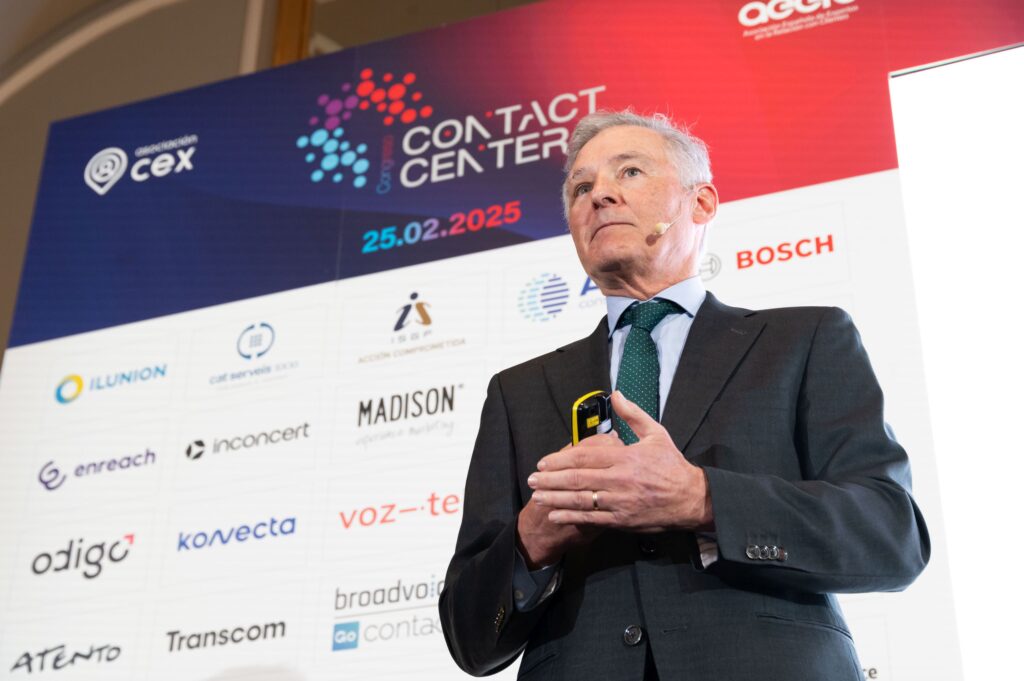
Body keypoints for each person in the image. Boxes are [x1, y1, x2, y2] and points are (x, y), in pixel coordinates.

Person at [439, 110, 929, 680]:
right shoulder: (518, 392)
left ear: (701, 203)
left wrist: (702, 498)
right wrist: (532, 539)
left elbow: (890, 536)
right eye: (580, 187)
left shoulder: (805, 339)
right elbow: (470, 639)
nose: (599, 195)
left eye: (629, 172)